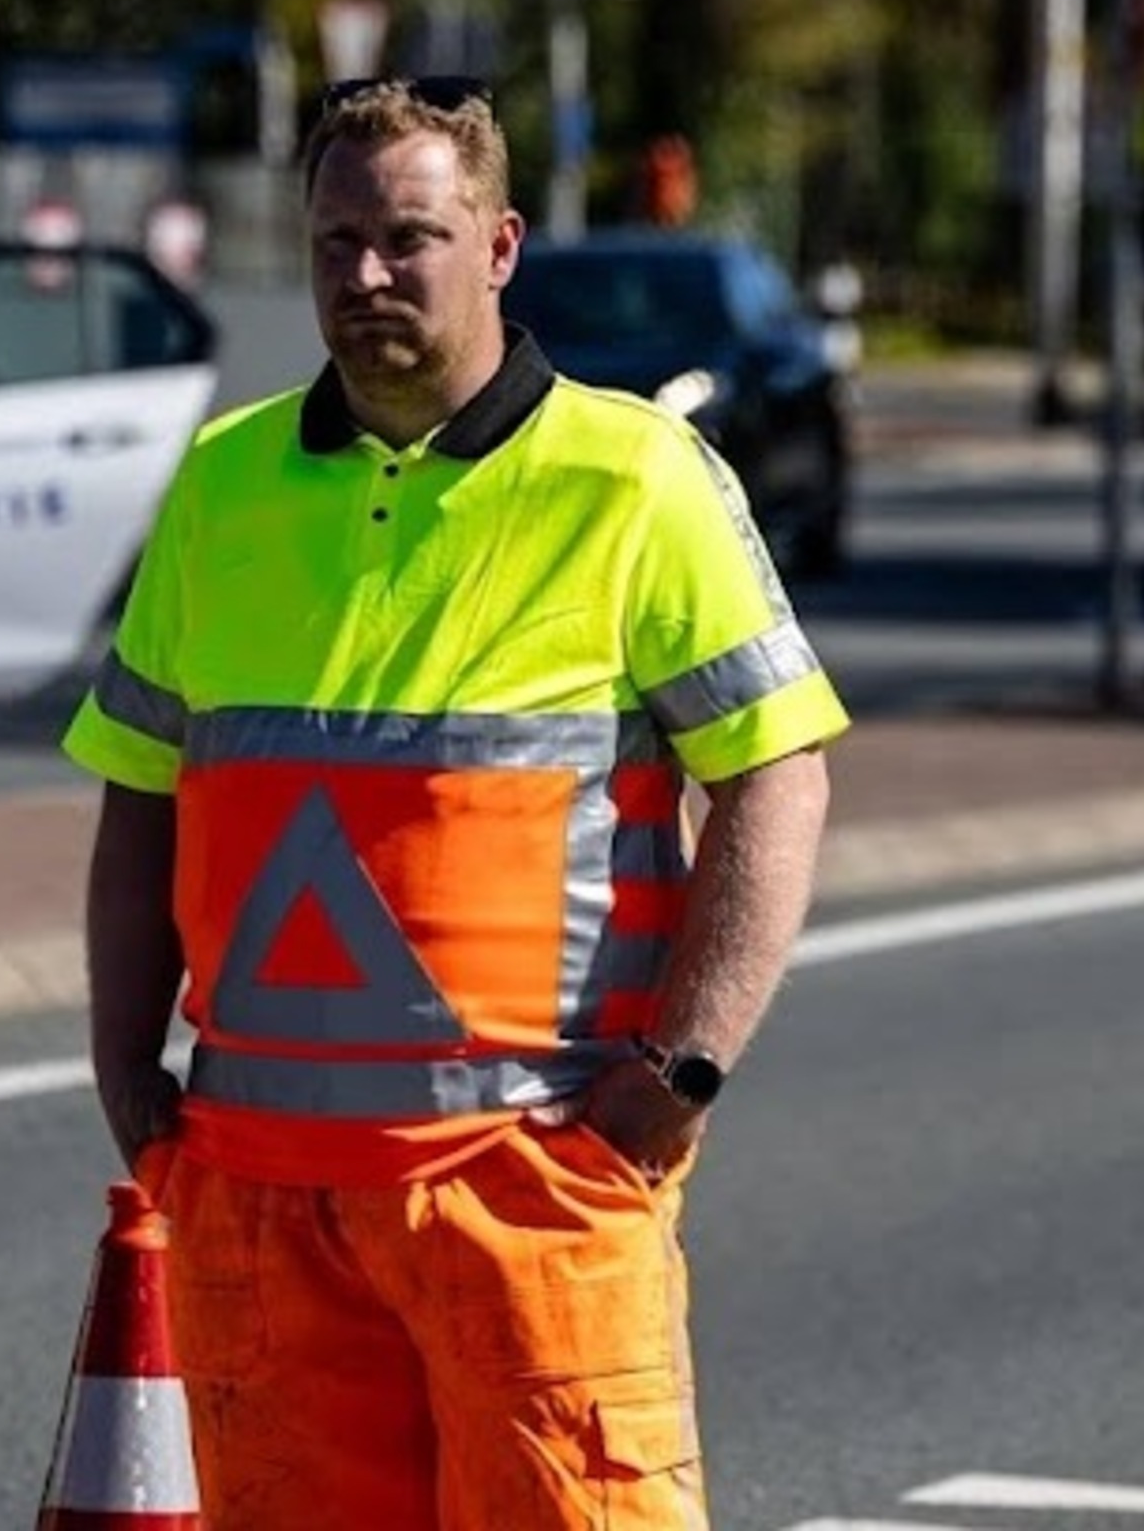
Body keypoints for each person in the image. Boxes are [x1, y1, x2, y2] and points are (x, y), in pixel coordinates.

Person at [64, 75, 845, 1528]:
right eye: (335, 240)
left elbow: (776, 775)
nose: (365, 275)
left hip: (533, 1186)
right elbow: (144, 798)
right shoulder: (227, 483)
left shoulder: (632, 480)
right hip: (256, 1200)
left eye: (410, 237)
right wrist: (127, 1075)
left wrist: (680, 1073)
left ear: (498, 247)